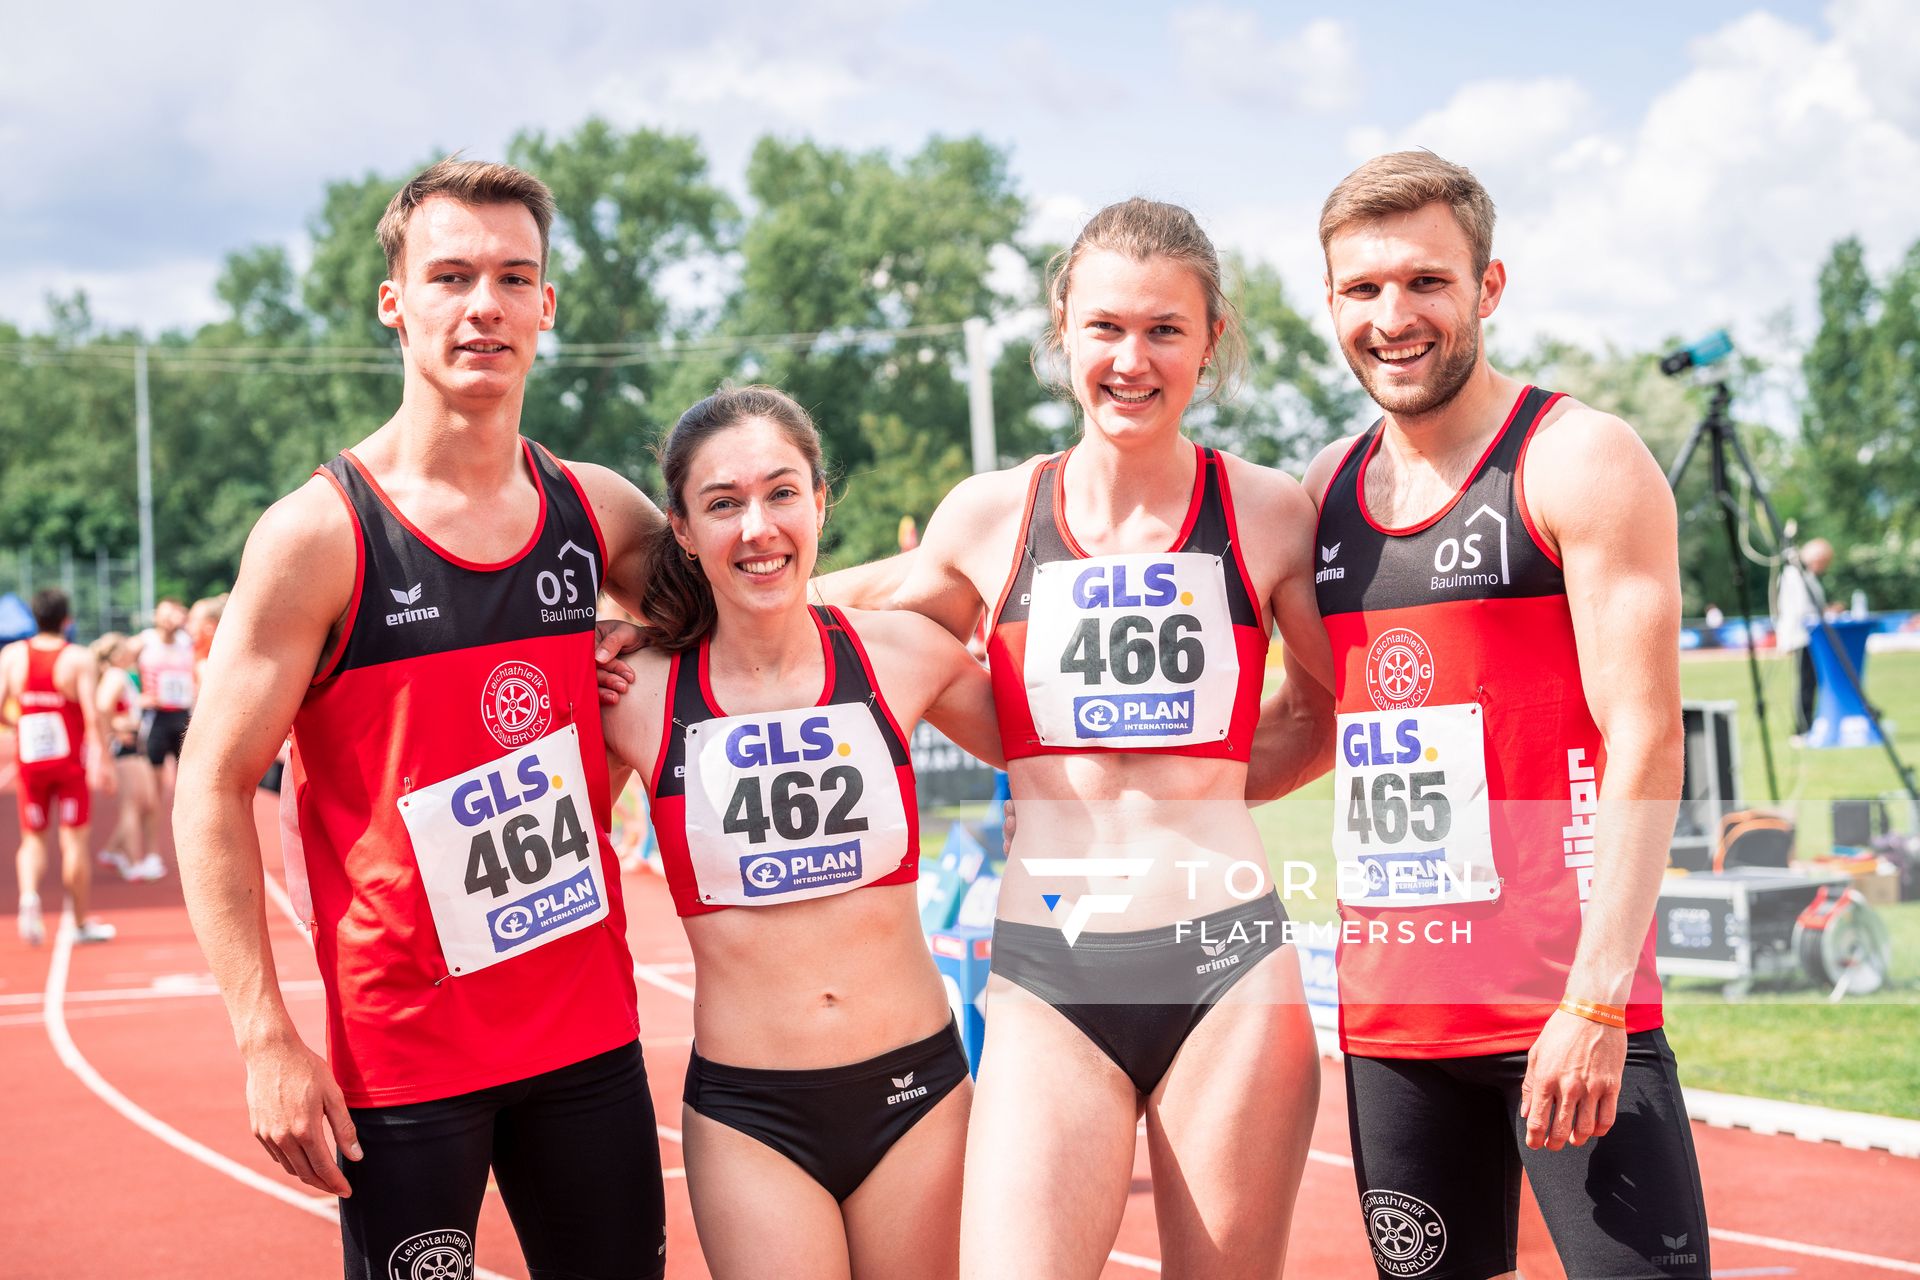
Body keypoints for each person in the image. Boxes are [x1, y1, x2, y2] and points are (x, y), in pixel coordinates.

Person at [175, 158, 670, 1280]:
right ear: (394, 299)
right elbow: (208, 786)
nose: (483, 304)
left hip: (586, 1028)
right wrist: (265, 1036)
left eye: (513, 276)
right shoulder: (319, 537)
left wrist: (648, 640)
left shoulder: (597, 510)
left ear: (549, 306)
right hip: (405, 1058)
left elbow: (754, 605)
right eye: (450, 275)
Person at [829, 199, 1332, 1279]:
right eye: (1105, 327)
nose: (1131, 359)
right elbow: (878, 644)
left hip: (1226, 966)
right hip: (1052, 967)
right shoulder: (989, 515)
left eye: (1164, 329)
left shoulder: (1269, 512)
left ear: (1213, 339)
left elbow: (1321, 713)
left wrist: (1210, 783)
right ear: (1063, 327)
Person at [1280, 150, 1710, 1280]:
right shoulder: (1324, 486)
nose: (1393, 316)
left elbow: (1647, 738)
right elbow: (1312, 716)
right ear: (1330, 304)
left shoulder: (1577, 458)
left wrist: (1597, 1000)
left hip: (1567, 1006)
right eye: (1362, 290)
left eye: (1426, 281)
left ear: (1489, 286)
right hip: (1394, 1024)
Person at [603, 386, 1002, 1279]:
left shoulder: (901, 655)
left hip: (919, 1097)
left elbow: (1067, 759)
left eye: (782, 493)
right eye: (723, 503)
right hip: (753, 1117)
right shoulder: (636, 695)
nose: (757, 526)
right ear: (681, 526)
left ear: (821, 501)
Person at [0, 589, 116, 944]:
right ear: (68, 621)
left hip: (31, 762)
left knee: (32, 840)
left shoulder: (12, 656)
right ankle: (79, 924)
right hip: (69, 766)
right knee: (74, 842)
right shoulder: (78, 658)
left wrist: (17, 727)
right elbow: (92, 712)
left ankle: (29, 897)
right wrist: (104, 759)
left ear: (33, 618)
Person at [126, 596, 195, 881]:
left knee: (190, 791)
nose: (169, 619)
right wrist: (136, 697)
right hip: (155, 721)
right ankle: (152, 853)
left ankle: (191, 857)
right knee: (153, 795)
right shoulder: (144, 642)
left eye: (175, 614)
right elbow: (112, 666)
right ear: (156, 616)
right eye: (164, 614)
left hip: (183, 719)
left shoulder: (187, 642)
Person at [89, 632, 158, 877]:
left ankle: (113, 851)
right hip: (123, 746)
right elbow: (102, 708)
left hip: (134, 744)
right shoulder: (115, 675)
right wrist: (116, 731)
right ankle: (133, 862)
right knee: (132, 805)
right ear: (117, 653)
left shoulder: (120, 674)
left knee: (147, 802)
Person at [1773, 537, 1832, 735]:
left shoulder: (1805, 575)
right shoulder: (1794, 574)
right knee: (1806, 683)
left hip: (1810, 636)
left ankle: (1810, 721)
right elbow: (1799, 609)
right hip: (1802, 636)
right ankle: (1803, 726)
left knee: (1811, 682)